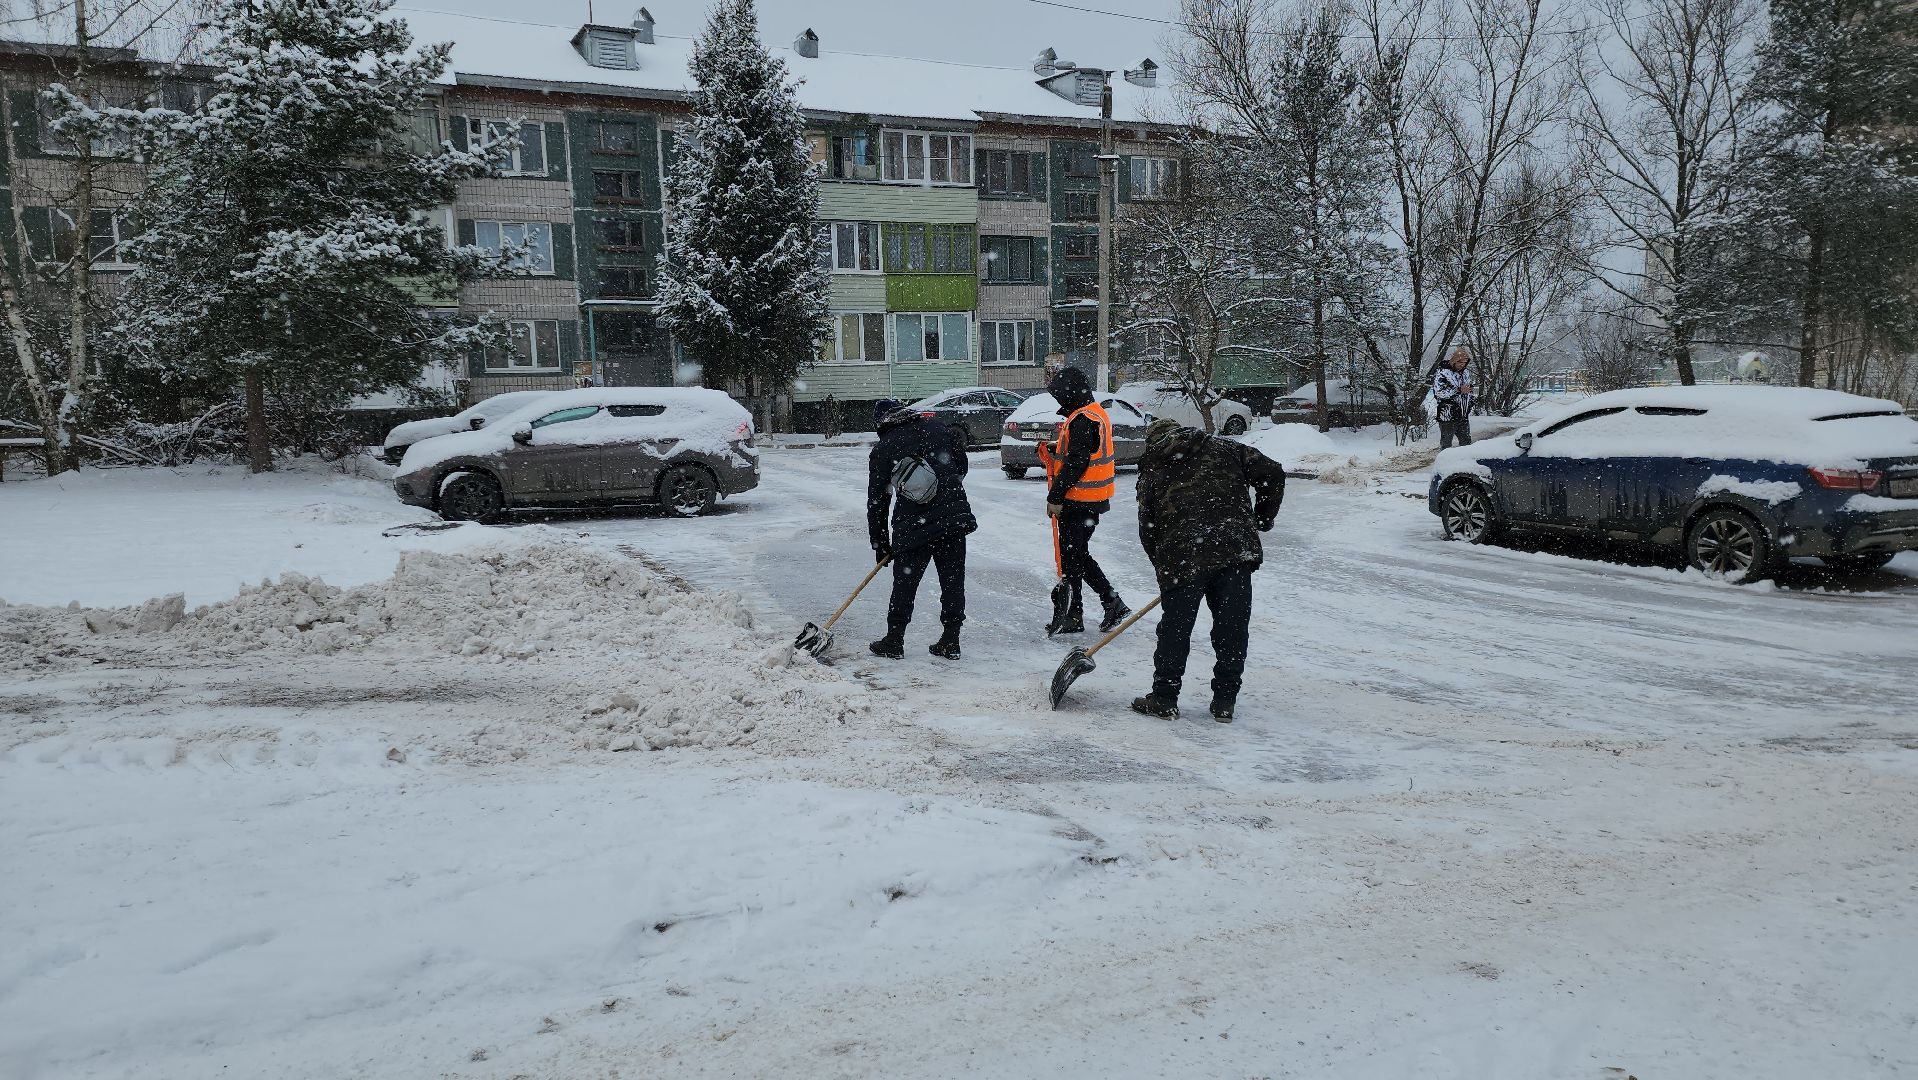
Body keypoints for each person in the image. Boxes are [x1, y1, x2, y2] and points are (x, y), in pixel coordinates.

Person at [1132, 417, 1285, 723]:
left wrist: (1164, 570)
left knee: (1176, 629)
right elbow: (1273, 472)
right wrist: (1263, 515)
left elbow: (1147, 528)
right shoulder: (1226, 447)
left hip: (1182, 556)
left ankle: (1164, 698)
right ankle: (1225, 700)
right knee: (1232, 626)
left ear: (1153, 443)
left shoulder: (1153, 469)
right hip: (1234, 548)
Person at [867, 398, 977, 660]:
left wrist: (880, 542)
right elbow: (961, 465)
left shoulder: (884, 448)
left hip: (914, 525)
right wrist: (945, 489)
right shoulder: (937, 427)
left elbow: (878, 500)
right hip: (953, 519)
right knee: (953, 581)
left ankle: (894, 639)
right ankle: (951, 640)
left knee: (905, 582)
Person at [1039, 367, 1129, 636]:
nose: (1058, 401)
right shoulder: (1092, 413)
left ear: (1070, 393)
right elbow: (1082, 451)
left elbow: (1078, 461)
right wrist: (1057, 449)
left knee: (1073, 557)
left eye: (1060, 396)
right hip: (1090, 500)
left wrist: (1055, 495)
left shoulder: (1083, 419)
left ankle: (1101, 605)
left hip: (1079, 501)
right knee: (1075, 556)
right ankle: (1087, 609)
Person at [1434, 347, 1475, 449]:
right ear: (1454, 361)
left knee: (1466, 445)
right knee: (1446, 445)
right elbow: (1439, 393)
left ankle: (1464, 463)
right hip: (1448, 415)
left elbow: (1467, 389)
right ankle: (1444, 464)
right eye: (1460, 362)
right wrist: (1458, 390)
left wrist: (1471, 400)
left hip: (1463, 415)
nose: (1463, 364)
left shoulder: (1465, 373)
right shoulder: (1443, 373)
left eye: (1465, 362)